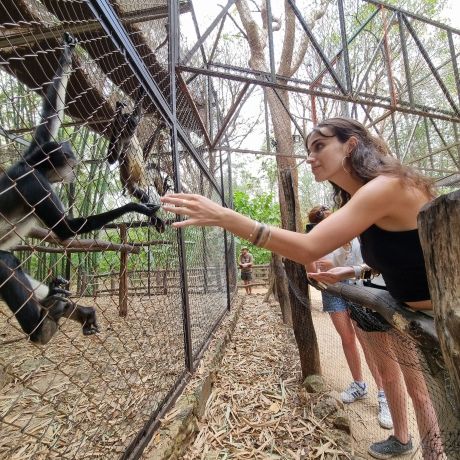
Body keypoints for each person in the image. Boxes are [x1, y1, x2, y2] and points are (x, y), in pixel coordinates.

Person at [161, 117, 443, 459]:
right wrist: (352, 270)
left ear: (351, 145)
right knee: (421, 389)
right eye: (308, 149)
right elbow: (406, 252)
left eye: (320, 146)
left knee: (434, 395)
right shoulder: (363, 195)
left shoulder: (387, 186)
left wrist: (225, 217)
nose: (310, 157)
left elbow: (309, 247)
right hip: (414, 309)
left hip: (443, 315)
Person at [307, 205, 392, 430]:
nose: (324, 222)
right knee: (347, 338)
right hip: (331, 289)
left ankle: (384, 394)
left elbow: (369, 268)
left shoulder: (354, 235)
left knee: (367, 340)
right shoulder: (318, 241)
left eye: (326, 218)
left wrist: (342, 267)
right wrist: (310, 256)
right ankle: (359, 384)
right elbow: (312, 273)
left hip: (357, 286)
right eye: (319, 221)